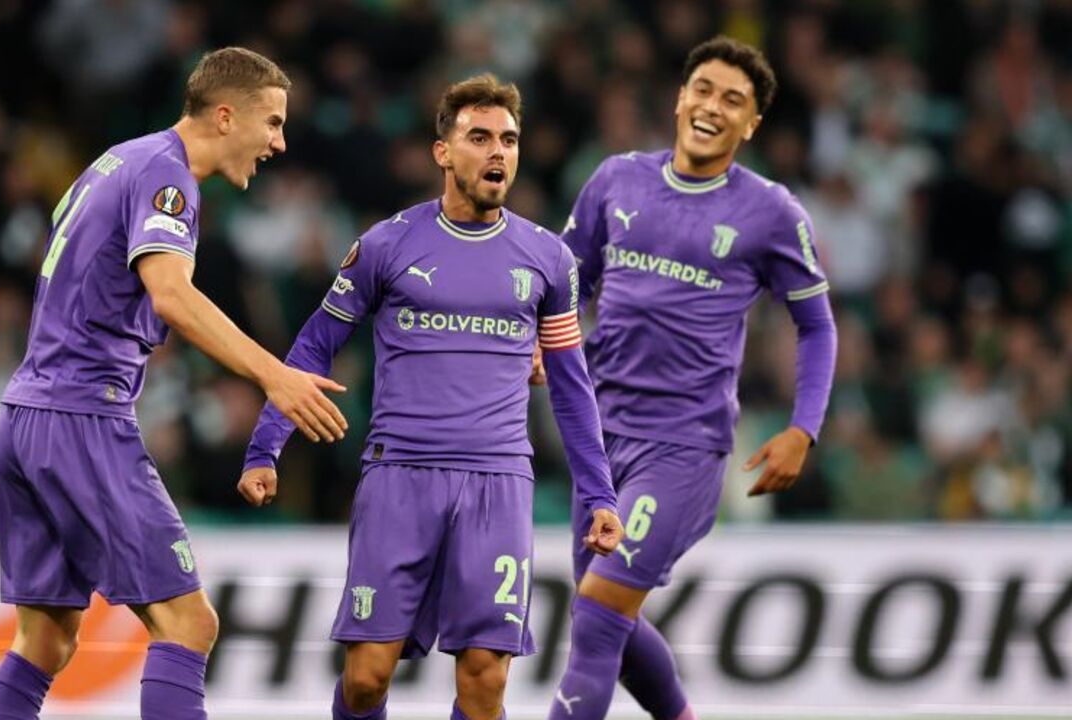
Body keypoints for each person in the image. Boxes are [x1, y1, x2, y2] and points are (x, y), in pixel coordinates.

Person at [0, 47, 349, 720]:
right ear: (226, 115)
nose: (279, 142)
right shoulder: (166, 175)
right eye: (271, 123)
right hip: (82, 418)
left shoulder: (118, 159)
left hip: (28, 411)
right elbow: (171, 294)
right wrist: (275, 376)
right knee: (189, 623)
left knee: (46, 639)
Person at [238, 74, 623, 720]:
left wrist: (600, 495)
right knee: (366, 678)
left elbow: (572, 385)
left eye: (509, 139)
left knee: (484, 680)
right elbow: (312, 348)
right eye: (479, 138)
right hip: (400, 477)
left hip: (498, 482)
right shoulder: (386, 246)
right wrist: (264, 449)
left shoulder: (549, 261)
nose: (497, 152)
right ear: (443, 152)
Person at [545, 37, 837, 720]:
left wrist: (805, 428)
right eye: (703, 88)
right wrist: (537, 335)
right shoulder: (616, 179)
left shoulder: (771, 212)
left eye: (732, 100)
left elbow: (818, 326)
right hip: (598, 440)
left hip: (681, 447)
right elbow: (563, 281)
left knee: (595, 613)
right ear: (680, 97)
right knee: (603, 602)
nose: (712, 106)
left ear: (751, 124)